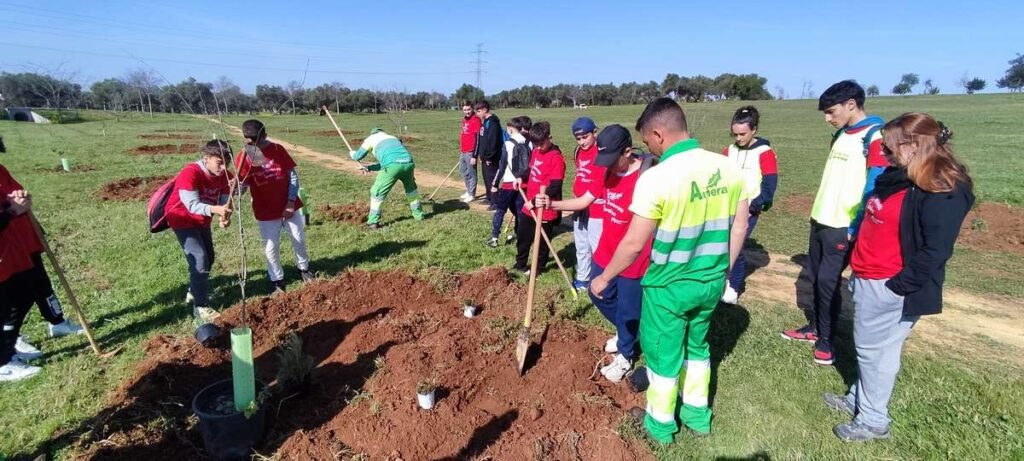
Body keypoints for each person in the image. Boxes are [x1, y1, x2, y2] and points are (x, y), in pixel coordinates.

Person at [591, 98, 749, 443]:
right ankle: (697, 415)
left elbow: (634, 244)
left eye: (647, 141)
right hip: (710, 280)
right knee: (698, 348)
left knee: (663, 355)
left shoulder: (657, 178)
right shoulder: (728, 167)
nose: (648, 148)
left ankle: (660, 425)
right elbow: (740, 227)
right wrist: (723, 271)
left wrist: (604, 277)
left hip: (669, 286)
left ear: (658, 134)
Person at [824, 114, 973, 442]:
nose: (883, 154)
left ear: (914, 146)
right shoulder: (901, 178)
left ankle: (873, 420)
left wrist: (897, 287)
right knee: (873, 350)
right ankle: (859, 398)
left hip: (889, 284)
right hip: (869, 276)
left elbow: (935, 250)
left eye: (889, 148)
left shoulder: (941, 190)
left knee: (876, 353)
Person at [781, 80, 887, 366]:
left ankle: (827, 341)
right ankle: (815, 327)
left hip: (843, 225)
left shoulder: (875, 136)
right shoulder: (841, 134)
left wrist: (856, 226)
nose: (827, 118)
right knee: (815, 278)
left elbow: (875, 184)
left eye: (831, 111)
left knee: (828, 282)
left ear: (851, 104)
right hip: (821, 219)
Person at [537, 124, 654, 383]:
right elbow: (584, 201)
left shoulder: (646, 178)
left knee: (627, 309)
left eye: (612, 159)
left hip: (633, 257)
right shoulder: (607, 171)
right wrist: (553, 204)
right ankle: (629, 333)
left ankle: (626, 355)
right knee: (598, 293)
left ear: (627, 152)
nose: (607, 165)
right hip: (606, 250)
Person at [236, 120, 313, 294]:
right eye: (249, 139)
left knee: (298, 238)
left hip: (289, 205)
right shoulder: (245, 155)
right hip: (265, 209)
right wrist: (237, 189)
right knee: (271, 247)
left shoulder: (278, 150)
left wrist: (290, 202)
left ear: (264, 134)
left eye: (257, 139)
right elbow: (244, 184)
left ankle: (304, 268)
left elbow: (292, 176)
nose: (254, 143)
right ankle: (277, 279)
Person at [165, 140, 233, 326]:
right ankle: (200, 306)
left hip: (202, 219)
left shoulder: (225, 176)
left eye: (227, 163)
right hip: (181, 218)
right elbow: (192, 205)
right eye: (220, 163)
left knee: (209, 258)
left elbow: (225, 201)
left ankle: (194, 291)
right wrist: (216, 210)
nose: (223, 167)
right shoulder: (190, 173)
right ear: (206, 158)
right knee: (200, 259)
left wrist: (224, 217)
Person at [721, 106, 778, 304]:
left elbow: (770, 184)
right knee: (723, 244)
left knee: (735, 245)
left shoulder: (765, 152)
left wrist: (755, 206)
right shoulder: (729, 151)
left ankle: (734, 287)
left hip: (748, 210)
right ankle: (723, 279)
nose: (738, 138)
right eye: (735, 134)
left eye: (742, 134)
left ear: (754, 130)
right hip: (725, 207)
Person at [0, 164, 47, 381]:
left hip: (8, 246)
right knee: (5, 304)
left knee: (23, 294)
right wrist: (12, 211)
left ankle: (8, 348)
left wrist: (17, 201)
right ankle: (3, 364)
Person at [513, 122, 564, 276]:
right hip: (529, 205)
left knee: (542, 242)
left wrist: (534, 202)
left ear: (549, 138)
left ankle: (539, 268)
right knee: (523, 236)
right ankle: (520, 264)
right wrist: (521, 178)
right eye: (536, 144)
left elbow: (555, 187)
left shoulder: (556, 158)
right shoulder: (535, 152)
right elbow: (530, 170)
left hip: (544, 208)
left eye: (542, 144)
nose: (539, 147)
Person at [350, 127, 424, 229]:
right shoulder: (392, 138)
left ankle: (373, 222)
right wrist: (369, 168)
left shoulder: (371, 139)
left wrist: (352, 154)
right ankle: (419, 216)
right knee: (411, 190)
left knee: (377, 193)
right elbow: (389, 161)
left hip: (392, 166)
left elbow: (358, 156)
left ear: (373, 133)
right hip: (408, 163)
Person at [568, 117, 605, 292]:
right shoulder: (578, 151)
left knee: (597, 246)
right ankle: (583, 278)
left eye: (585, 137)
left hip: (596, 206)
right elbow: (579, 174)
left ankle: (600, 280)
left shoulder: (602, 153)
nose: (582, 142)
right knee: (581, 245)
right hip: (579, 206)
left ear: (594, 133)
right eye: (578, 138)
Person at [486, 116, 531, 247]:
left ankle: (494, 237)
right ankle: (521, 235)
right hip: (524, 182)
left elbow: (502, 166)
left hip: (509, 183)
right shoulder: (529, 143)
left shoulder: (508, 144)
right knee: (519, 211)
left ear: (510, 129)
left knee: (500, 209)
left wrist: (495, 184)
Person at [472, 100, 503, 207]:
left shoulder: (493, 123)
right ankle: (489, 197)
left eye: (479, 111)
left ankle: (495, 201)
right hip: (484, 157)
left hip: (492, 158)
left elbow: (493, 142)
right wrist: (481, 155)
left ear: (485, 110)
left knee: (492, 179)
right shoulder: (485, 122)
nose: (477, 114)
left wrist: (490, 157)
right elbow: (483, 140)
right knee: (486, 178)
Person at [458, 101, 482, 203]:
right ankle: (468, 191)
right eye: (465, 110)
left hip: (471, 151)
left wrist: (474, 155)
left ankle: (472, 194)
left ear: (472, 109)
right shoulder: (464, 119)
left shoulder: (476, 120)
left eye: (469, 109)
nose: (467, 112)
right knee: (463, 171)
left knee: (472, 173)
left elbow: (478, 138)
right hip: (463, 150)